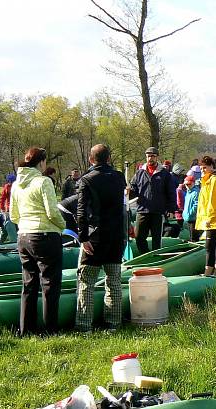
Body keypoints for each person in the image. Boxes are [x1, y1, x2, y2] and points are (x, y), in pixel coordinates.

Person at [10, 147, 66, 335]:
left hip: (23, 236)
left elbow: (13, 215)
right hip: (45, 235)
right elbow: (52, 212)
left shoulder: (16, 184)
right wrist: (62, 225)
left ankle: (27, 329)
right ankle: (50, 329)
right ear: (41, 162)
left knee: (29, 283)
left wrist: (26, 225)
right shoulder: (43, 181)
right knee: (50, 283)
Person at [75, 144, 127, 333]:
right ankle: (113, 323)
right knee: (113, 281)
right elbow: (123, 207)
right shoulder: (119, 177)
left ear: (91, 159)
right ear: (109, 158)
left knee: (86, 282)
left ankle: (84, 325)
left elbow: (81, 211)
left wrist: (83, 237)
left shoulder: (86, 180)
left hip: (95, 236)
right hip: (115, 236)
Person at [128, 147, 175, 253]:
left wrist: (171, 209)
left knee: (156, 240)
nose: (150, 158)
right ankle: (146, 256)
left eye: (153, 156)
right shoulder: (139, 173)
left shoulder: (164, 174)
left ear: (157, 157)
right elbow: (134, 189)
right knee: (139, 237)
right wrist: (129, 192)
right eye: (149, 156)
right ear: (146, 157)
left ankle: (156, 258)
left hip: (157, 211)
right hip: (142, 210)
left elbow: (171, 192)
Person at [196, 155, 216, 276]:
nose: (202, 170)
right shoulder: (208, 180)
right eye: (201, 168)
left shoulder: (214, 180)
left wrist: (209, 218)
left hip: (214, 219)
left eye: (204, 167)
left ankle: (208, 271)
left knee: (210, 246)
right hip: (212, 218)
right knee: (214, 246)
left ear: (211, 167)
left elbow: (214, 201)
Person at [180, 175, 201, 242]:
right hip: (187, 217)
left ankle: (195, 246)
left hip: (193, 218)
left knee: (194, 235)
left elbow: (196, 205)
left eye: (189, 184)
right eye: (186, 184)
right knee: (190, 234)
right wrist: (184, 213)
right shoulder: (188, 193)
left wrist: (190, 213)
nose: (187, 186)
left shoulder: (196, 192)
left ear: (193, 183)